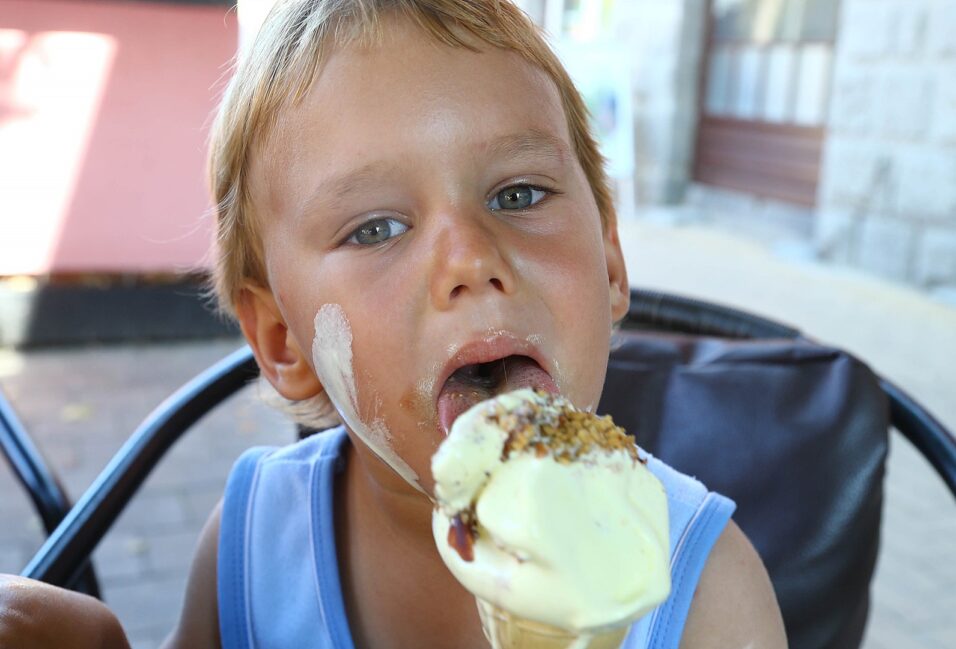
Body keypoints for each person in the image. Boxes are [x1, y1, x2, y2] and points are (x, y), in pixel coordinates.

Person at [0, 1, 787, 647]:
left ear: (612, 261)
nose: (470, 258)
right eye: (375, 227)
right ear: (284, 343)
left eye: (518, 193)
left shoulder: (706, 587)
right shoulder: (254, 543)